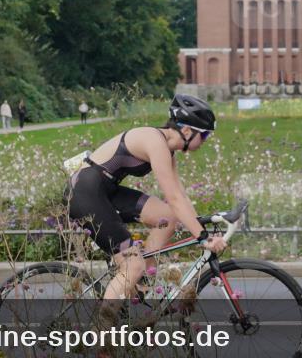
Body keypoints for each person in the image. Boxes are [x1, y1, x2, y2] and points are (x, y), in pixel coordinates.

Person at [64, 93, 226, 308]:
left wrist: (200, 223)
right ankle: (101, 336)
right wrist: (203, 237)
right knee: (132, 265)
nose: (205, 141)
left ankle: (139, 284)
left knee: (167, 217)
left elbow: (181, 197)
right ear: (187, 130)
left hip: (105, 191)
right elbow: (174, 197)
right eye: (204, 136)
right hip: (84, 193)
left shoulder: (168, 150)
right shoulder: (155, 141)